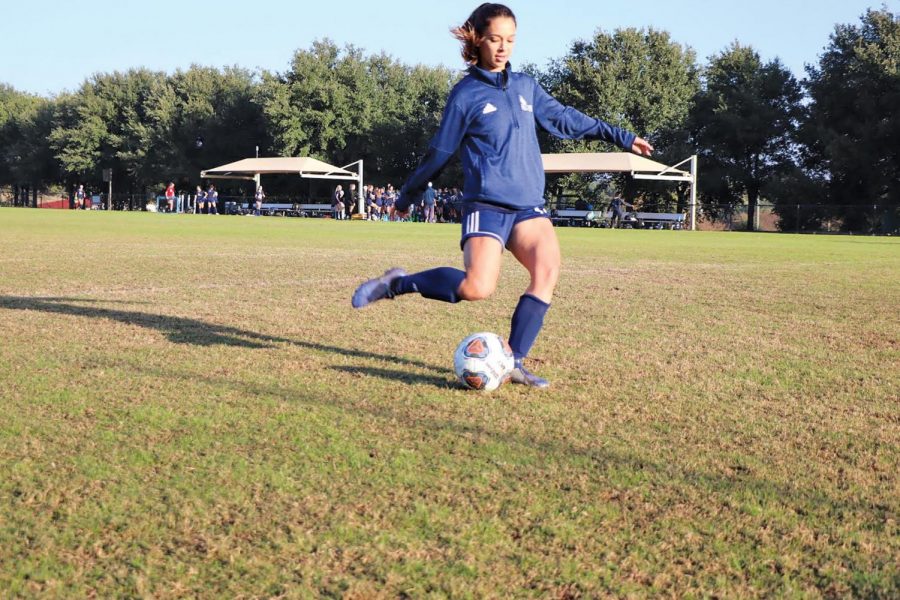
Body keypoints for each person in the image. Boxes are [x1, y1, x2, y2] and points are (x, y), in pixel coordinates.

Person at [351, 3, 653, 388]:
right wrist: (408, 194)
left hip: (529, 207)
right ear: (477, 40)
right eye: (495, 39)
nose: (503, 47)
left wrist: (621, 136)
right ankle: (397, 284)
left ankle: (513, 361)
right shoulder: (465, 95)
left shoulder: (526, 86)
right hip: (487, 205)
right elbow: (439, 153)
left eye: (510, 39)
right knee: (478, 288)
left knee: (547, 271)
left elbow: (565, 119)